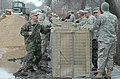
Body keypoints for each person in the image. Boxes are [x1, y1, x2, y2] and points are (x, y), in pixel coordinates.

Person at [14, 10, 51, 77]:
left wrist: (49, 29)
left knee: (39, 56)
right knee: (30, 56)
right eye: (36, 16)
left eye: (37, 16)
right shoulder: (27, 25)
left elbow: (44, 31)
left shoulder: (39, 25)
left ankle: (34, 65)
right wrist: (27, 33)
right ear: (32, 16)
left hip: (37, 44)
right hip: (30, 44)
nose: (37, 17)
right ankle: (27, 69)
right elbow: (22, 32)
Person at [93, 2, 118, 79]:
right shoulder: (114, 17)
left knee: (102, 56)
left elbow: (95, 27)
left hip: (104, 40)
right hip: (113, 40)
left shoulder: (101, 17)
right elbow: (116, 29)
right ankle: (109, 73)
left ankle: (100, 73)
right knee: (110, 57)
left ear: (102, 8)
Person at [92, 7, 101, 71]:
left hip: (101, 39)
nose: (95, 14)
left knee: (99, 54)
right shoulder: (96, 19)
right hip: (97, 38)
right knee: (96, 53)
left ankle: (99, 68)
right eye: (94, 13)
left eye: (96, 12)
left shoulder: (101, 18)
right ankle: (97, 66)